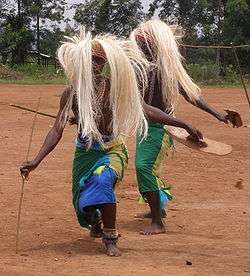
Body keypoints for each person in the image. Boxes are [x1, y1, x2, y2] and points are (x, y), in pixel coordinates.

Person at [20, 30, 203, 257]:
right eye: (91, 60)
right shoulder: (71, 93)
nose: (95, 65)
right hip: (85, 152)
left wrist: (183, 123)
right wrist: (37, 160)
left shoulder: (115, 87)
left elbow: (147, 110)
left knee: (102, 180)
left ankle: (110, 237)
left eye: (99, 61)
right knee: (83, 206)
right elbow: (57, 128)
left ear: (105, 63)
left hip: (112, 150)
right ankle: (94, 220)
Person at [130, 20, 229, 235]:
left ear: (152, 46)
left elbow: (189, 95)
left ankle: (157, 222)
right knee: (148, 169)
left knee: (144, 167)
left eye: (142, 44)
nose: (139, 47)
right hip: (145, 127)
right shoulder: (138, 68)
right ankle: (157, 210)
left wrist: (216, 114)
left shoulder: (165, 69)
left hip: (159, 128)